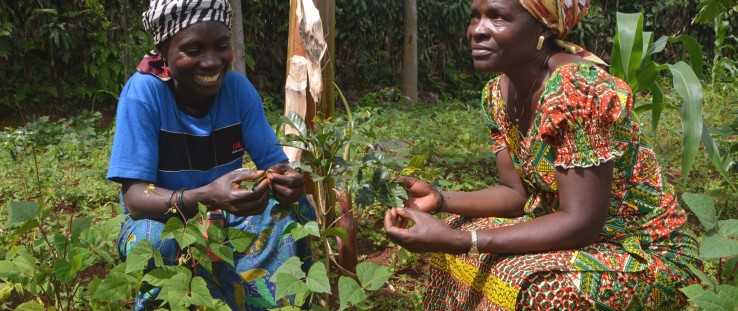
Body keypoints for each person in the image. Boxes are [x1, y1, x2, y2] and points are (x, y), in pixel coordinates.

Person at [383, 0, 701, 310]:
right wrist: (439, 199)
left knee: (539, 287)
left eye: (498, 17)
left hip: (641, 249)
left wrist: (463, 241)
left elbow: (583, 222)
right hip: (572, 232)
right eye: (474, 17)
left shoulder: (577, 89)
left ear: (543, 29)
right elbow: (516, 194)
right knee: (456, 228)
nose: (477, 30)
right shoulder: (497, 95)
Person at [106, 1, 313, 309]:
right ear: (163, 50)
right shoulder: (143, 94)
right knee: (154, 240)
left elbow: (275, 164)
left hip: (227, 218)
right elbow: (136, 198)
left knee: (293, 211)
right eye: (193, 50)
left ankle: (278, 301)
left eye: (221, 46)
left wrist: (287, 180)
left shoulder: (237, 89)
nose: (211, 62)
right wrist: (206, 197)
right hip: (165, 219)